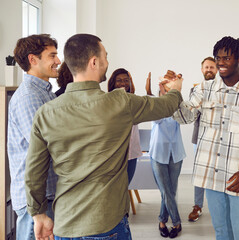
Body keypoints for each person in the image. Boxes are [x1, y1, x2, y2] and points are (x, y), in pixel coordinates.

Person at [24, 33, 183, 239]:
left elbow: (34, 173)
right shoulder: (121, 102)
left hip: (65, 224)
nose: (107, 62)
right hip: (107, 224)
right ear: (94, 62)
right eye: (105, 56)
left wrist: (38, 215)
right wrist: (175, 90)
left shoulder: (46, 112)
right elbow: (167, 106)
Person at [174, 36, 239, 240]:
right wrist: (172, 93)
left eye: (226, 58)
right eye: (217, 58)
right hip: (212, 177)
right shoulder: (203, 89)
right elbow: (184, 117)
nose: (220, 62)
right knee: (221, 232)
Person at [7, 34, 60, 240]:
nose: (58, 61)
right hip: (38, 201)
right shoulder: (29, 96)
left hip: (47, 196)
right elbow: (46, 146)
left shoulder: (45, 92)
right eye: (52, 56)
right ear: (33, 59)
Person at [146, 72, 186, 238]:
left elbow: (184, 116)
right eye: (165, 88)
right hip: (158, 153)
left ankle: (162, 221)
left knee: (169, 191)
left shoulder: (178, 105)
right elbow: (157, 119)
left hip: (176, 153)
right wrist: (154, 93)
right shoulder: (155, 106)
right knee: (166, 191)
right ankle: (176, 222)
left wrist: (177, 88)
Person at [188, 56, 218, 222]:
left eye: (212, 67)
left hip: (218, 138)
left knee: (217, 173)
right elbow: (192, 114)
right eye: (206, 67)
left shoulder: (223, 90)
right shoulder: (195, 91)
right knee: (200, 173)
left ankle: (217, 208)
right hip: (199, 137)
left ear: (217, 70)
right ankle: (197, 206)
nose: (209, 70)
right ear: (202, 70)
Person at [107, 68, 142, 184]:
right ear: (113, 82)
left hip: (132, 153)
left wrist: (132, 96)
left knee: (126, 185)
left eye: (126, 80)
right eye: (119, 80)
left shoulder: (134, 100)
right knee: (116, 188)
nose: (123, 83)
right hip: (115, 154)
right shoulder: (107, 101)